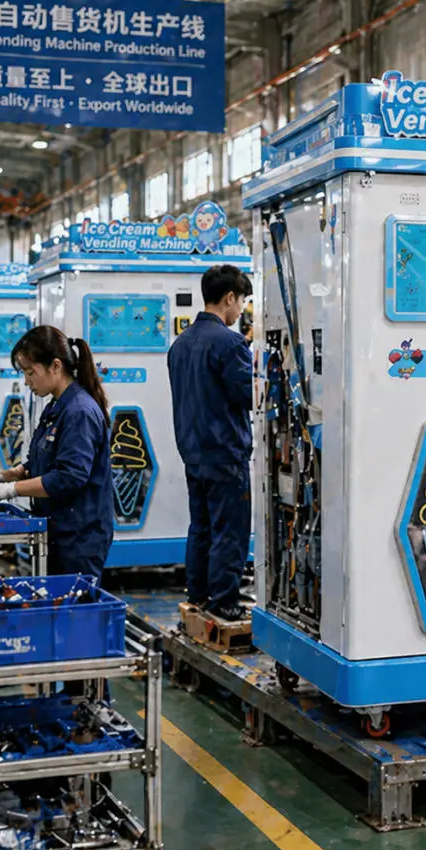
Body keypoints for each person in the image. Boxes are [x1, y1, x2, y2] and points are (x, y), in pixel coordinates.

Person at [0, 326, 113, 579]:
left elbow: (69, 477)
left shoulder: (79, 411)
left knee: (74, 609)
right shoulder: (56, 406)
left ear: (55, 366)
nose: (26, 381)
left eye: (30, 372)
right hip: (57, 529)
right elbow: (39, 462)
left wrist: (10, 490)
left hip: (79, 536)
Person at [167, 264, 254, 620]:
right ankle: (224, 601)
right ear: (229, 297)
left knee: (200, 526)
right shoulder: (229, 343)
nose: (241, 311)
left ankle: (200, 593)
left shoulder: (180, 344)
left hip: (193, 453)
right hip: (225, 452)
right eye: (242, 302)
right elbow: (250, 396)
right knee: (229, 530)